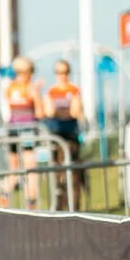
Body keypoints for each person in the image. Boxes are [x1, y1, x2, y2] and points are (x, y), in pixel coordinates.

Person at [2, 56, 44, 209]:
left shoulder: (10, 88)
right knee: (30, 166)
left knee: (13, 166)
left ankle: (5, 195)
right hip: (28, 129)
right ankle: (31, 200)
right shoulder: (31, 88)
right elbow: (40, 112)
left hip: (12, 129)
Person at [44, 59, 85, 210]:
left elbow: (75, 112)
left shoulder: (74, 90)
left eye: (65, 72)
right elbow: (49, 111)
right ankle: (59, 206)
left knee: (73, 172)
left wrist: (61, 111)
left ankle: (75, 206)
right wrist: (63, 111)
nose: (63, 76)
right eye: (59, 72)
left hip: (71, 136)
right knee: (57, 174)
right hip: (56, 136)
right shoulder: (51, 91)